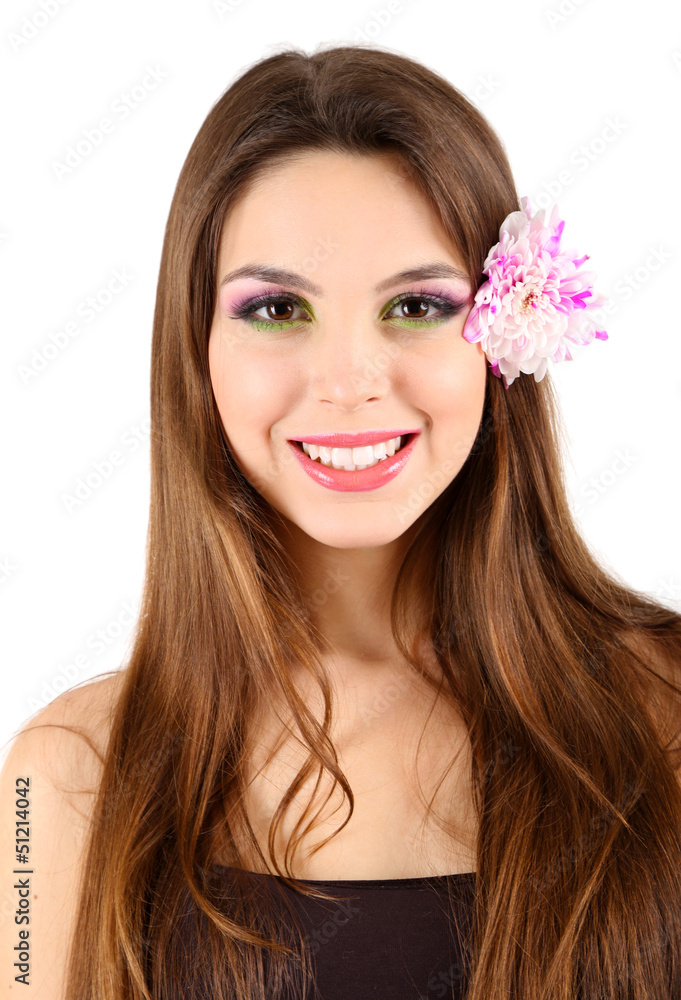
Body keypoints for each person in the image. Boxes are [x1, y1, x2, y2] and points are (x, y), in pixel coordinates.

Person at [2, 43, 681, 1000]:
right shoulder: (62, 777)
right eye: (277, 308)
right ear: (195, 347)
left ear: (502, 334)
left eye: (415, 304)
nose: (350, 381)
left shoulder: (667, 712)